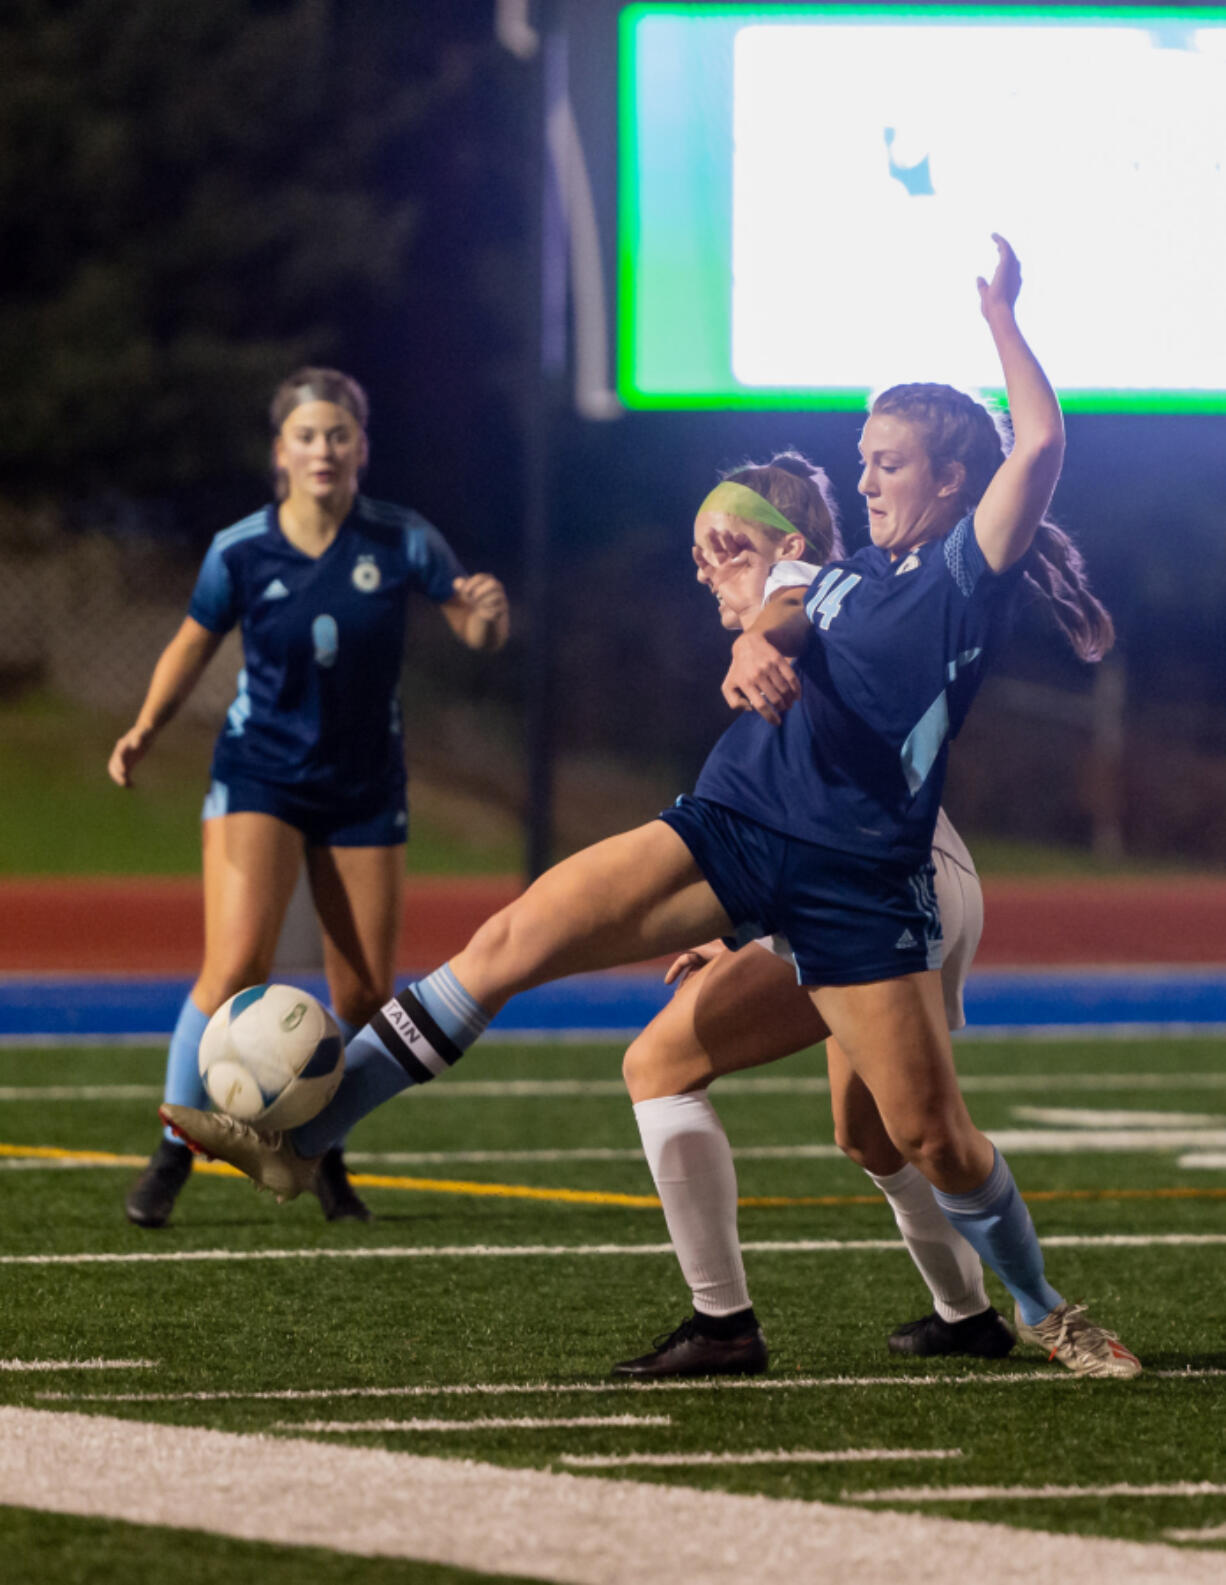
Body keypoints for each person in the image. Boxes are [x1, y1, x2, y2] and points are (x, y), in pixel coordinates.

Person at [163, 239, 1140, 1378]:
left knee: (925, 1135)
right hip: (732, 821)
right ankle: (305, 1137)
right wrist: (753, 659)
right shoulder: (829, 573)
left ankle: (1036, 1306)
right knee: (509, 938)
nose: (865, 480)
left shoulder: (963, 575)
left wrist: (1000, 322)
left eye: (889, 463)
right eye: (862, 461)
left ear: (948, 482)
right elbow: (778, 613)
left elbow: (1040, 441)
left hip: (858, 878)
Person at [609, 453, 1009, 1378]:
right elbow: (792, 817)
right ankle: (970, 1312)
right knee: (876, 1131)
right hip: (916, 877)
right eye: (699, 551)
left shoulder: (811, 603)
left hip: (890, 886)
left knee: (660, 1062)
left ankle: (723, 1324)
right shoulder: (829, 612)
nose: (707, 565)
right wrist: (736, 918)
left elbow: (808, 819)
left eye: (727, 545)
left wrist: (764, 632)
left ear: (787, 547)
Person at [115, 367, 509, 1228]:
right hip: (261, 771)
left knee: (366, 995)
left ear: (361, 447)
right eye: (307, 434)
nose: (323, 449)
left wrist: (486, 614)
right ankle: (173, 1155)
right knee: (234, 967)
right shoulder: (241, 548)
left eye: (338, 434)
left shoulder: (401, 538)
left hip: (366, 782)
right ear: (280, 452)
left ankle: (320, 1150)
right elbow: (191, 642)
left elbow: (471, 625)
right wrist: (146, 725)